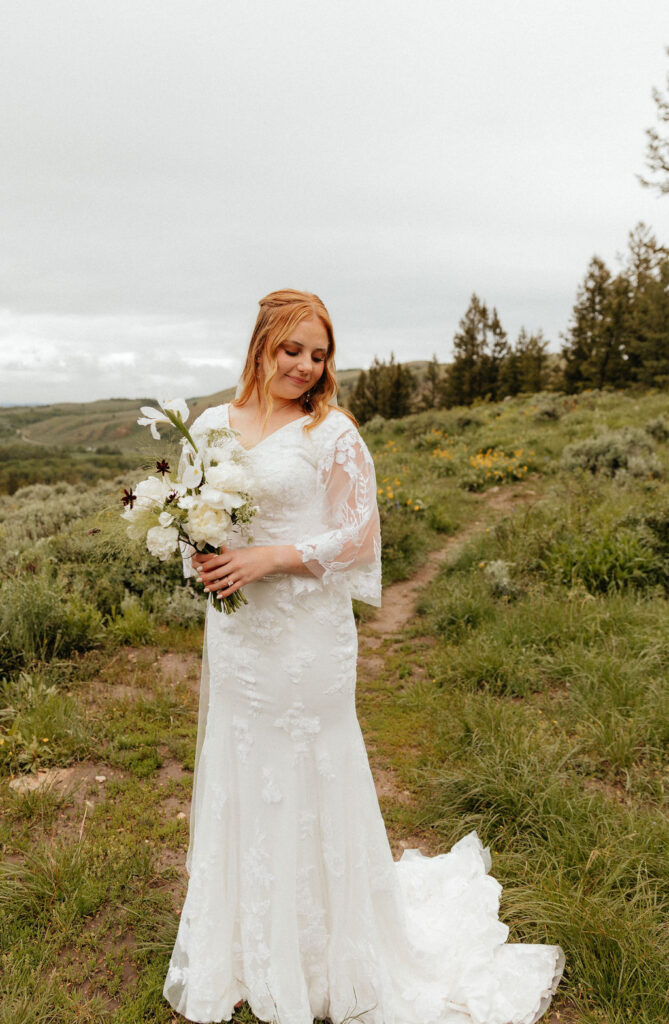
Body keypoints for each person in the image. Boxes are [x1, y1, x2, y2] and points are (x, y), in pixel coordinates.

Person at [163, 289, 564, 1024]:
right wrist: (204, 558)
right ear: (261, 343)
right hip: (240, 634)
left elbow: (357, 536)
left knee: (308, 766)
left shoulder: (333, 432)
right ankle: (251, 947)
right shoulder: (210, 425)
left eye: (318, 355)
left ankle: (324, 954)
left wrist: (269, 558)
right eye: (292, 350)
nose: (305, 367)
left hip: (306, 635)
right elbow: (194, 517)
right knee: (244, 764)